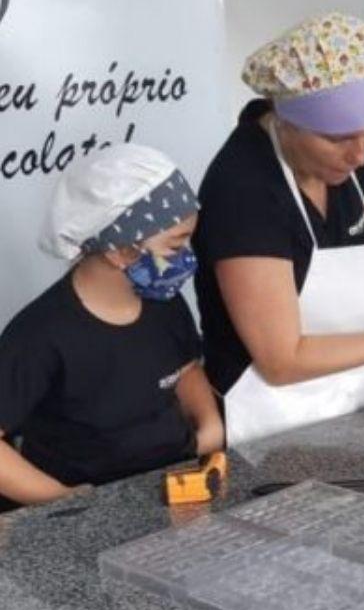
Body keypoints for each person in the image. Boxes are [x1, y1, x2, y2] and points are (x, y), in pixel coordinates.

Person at [193, 13, 364, 446]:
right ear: (287, 122)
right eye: (338, 139)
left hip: (354, 409)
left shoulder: (353, 159)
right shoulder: (243, 190)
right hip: (268, 432)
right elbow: (281, 359)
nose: (360, 156)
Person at [0, 145, 223, 510]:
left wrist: (208, 426)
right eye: (176, 244)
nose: (186, 257)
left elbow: (184, 369)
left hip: (169, 490)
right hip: (87, 511)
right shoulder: (40, 335)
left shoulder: (163, 303)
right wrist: (64, 499)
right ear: (120, 251)